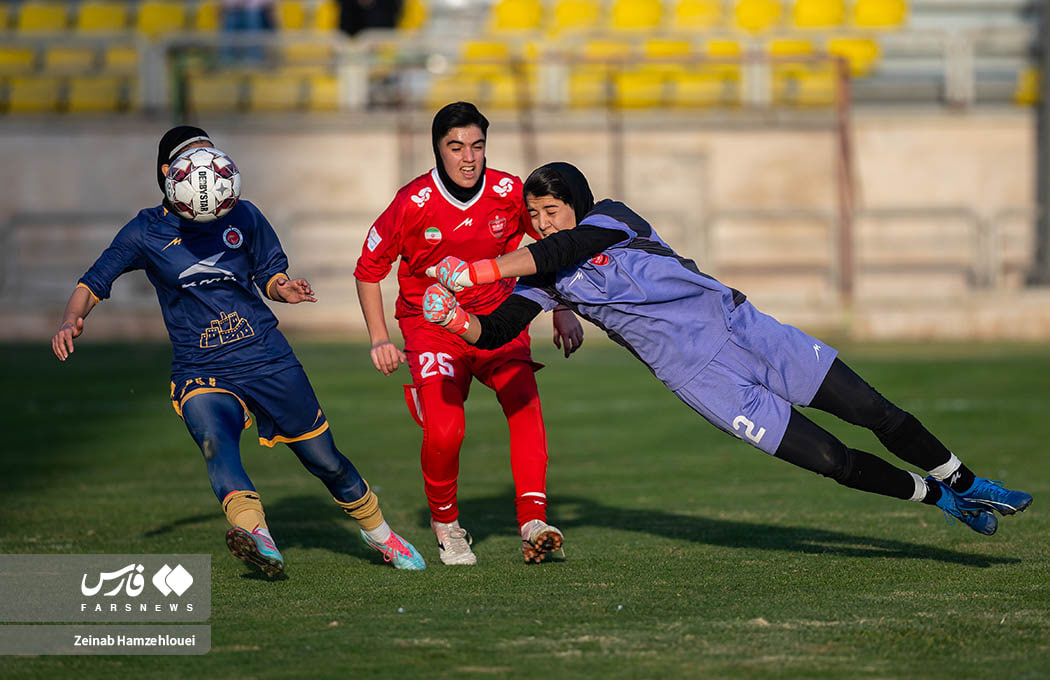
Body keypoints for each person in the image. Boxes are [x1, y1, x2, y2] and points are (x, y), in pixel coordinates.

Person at [421, 161, 1033, 536]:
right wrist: (457, 320)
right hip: (705, 381)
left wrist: (477, 270)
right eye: (533, 215)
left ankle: (967, 480)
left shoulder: (611, 219)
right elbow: (497, 330)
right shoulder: (545, 280)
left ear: (576, 204)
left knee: (874, 410)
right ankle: (939, 497)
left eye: (550, 210)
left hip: (747, 332)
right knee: (831, 460)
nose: (541, 223)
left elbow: (561, 249)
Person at [51, 125, 426, 577]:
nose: (208, 164)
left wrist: (285, 289)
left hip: (266, 357)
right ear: (169, 171)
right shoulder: (145, 231)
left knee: (325, 460)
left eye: (211, 153)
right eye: (195, 155)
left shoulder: (244, 215)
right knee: (216, 443)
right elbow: (94, 280)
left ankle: (381, 534)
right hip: (200, 366)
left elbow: (270, 275)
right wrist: (73, 317)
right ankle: (257, 536)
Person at [354, 104, 584, 565]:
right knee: (446, 430)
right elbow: (368, 269)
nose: (468, 158)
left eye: (477, 146)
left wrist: (562, 308)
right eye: (456, 147)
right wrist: (380, 337)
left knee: (526, 407)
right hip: (432, 327)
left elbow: (549, 245)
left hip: (498, 321)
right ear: (438, 149)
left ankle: (534, 522)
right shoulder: (412, 202)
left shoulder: (509, 192)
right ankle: (446, 524)